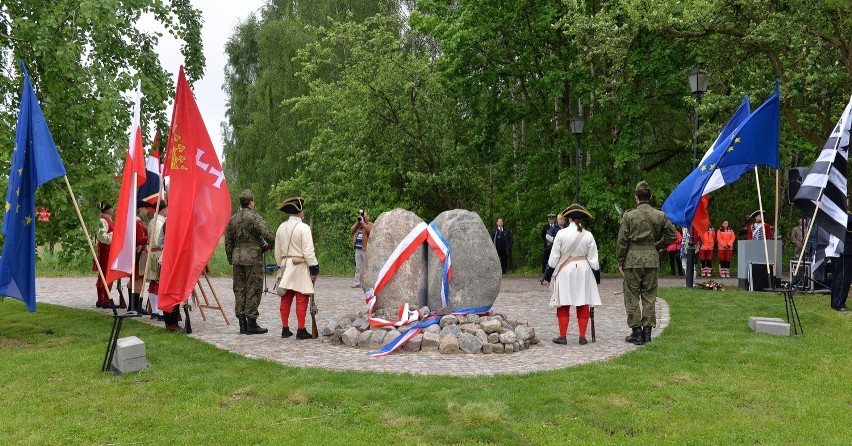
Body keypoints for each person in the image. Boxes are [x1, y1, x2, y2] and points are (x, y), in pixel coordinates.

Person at [616, 180, 677, 345]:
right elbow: (672, 236)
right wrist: (656, 246)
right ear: (649, 197)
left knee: (632, 296)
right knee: (649, 296)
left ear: (636, 198)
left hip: (632, 260)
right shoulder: (660, 215)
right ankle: (648, 333)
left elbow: (622, 241)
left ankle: (637, 332)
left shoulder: (629, 216)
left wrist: (620, 260)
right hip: (651, 259)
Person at [542, 204, 601, 345]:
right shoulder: (588, 235)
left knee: (563, 303)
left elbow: (554, 257)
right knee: (583, 303)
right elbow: (594, 260)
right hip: (584, 270)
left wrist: (548, 274)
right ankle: (582, 337)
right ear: (581, 220)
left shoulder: (561, 234)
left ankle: (562, 336)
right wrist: (596, 277)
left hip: (565, 271)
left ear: (568, 219)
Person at [224, 189, 275, 335]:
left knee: (239, 289)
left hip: (237, 257)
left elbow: (228, 241)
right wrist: (269, 245)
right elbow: (268, 234)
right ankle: (251, 322)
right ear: (251, 202)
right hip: (253, 258)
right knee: (253, 288)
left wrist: (230, 257)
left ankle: (242, 323)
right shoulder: (254, 217)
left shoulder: (233, 219)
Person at [275, 196, 320, 340]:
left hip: (285, 266)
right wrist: (314, 269)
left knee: (286, 298)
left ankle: (285, 328)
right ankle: (301, 330)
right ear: (300, 211)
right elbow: (308, 252)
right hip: (299, 267)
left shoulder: (281, 227)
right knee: (302, 298)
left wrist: (281, 266)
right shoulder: (304, 228)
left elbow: (277, 252)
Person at [127, 201, 153, 314]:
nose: (147, 211)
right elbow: (138, 239)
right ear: (140, 209)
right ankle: (134, 307)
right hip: (138, 253)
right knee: (137, 279)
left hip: (136, 253)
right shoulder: (137, 222)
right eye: (145, 208)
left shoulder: (137, 221)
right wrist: (149, 239)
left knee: (135, 279)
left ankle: (134, 306)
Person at [144, 201, 167, 320]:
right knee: (158, 282)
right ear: (163, 210)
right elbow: (159, 241)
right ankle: (159, 312)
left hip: (152, 254)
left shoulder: (153, 221)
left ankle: (155, 310)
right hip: (158, 254)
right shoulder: (159, 222)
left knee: (154, 282)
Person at [94, 202, 116, 308]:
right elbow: (102, 237)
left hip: (108, 250)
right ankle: (104, 299)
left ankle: (103, 299)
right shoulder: (103, 221)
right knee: (105, 275)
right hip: (105, 251)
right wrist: (114, 235)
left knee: (104, 275)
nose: (113, 209)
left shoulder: (107, 219)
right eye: (111, 208)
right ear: (107, 210)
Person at [830, 210, 852, 312]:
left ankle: (835, 302)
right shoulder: (843, 215)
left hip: (840, 249)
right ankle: (838, 303)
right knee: (843, 278)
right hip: (844, 250)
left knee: (837, 277)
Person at [350, 209, 372, 288]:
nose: (364, 218)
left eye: (366, 216)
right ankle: (357, 282)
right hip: (358, 249)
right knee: (358, 267)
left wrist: (362, 223)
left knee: (366, 267)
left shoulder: (370, 224)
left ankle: (367, 283)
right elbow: (352, 229)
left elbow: (369, 230)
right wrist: (358, 222)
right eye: (363, 217)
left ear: (368, 217)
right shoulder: (359, 225)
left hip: (365, 248)